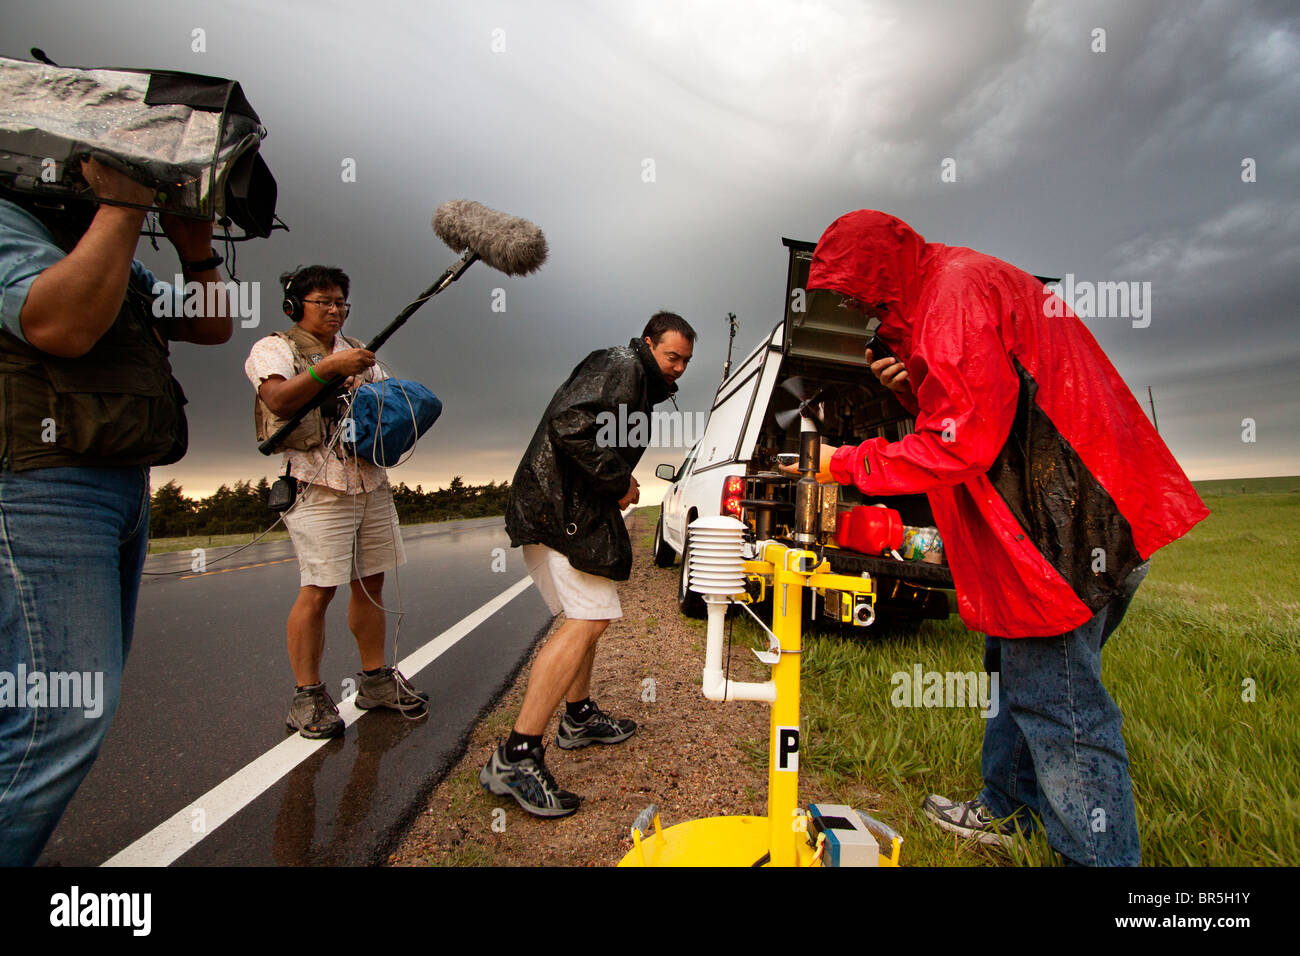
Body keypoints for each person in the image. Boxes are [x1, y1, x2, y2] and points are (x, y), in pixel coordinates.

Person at [801, 209, 1208, 866]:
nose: (851, 303)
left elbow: (960, 445)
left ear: (879, 267)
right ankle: (1008, 807)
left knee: (1063, 709)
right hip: (1075, 525)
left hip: (1067, 536)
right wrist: (917, 383)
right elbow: (988, 409)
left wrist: (844, 462)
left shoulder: (951, 299)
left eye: (853, 288)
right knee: (1017, 674)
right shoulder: (954, 287)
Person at [0, 158, 231, 865]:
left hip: (119, 479)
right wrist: (125, 205)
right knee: (59, 715)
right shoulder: (10, 223)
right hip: (41, 481)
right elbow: (59, 323)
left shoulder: (95, 247)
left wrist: (196, 250)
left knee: (54, 711)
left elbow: (211, 326)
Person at [482, 312, 695, 817]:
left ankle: (576, 717)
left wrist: (614, 482)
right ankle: (516, 755)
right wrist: (619, 481)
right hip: (559, 510)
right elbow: (569, 426)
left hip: (565, 507)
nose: (680, 368)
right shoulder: (622, 365)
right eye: (672, 356)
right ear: (648, 343)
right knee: (589, 618)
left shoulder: (637, 378)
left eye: (686, 360)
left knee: (587, 618)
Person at [246, 266, 425, 739]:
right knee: (319, 587)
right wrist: (327, 371)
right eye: (323, 301)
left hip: (369, 481)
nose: (334, 310)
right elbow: (280, 401)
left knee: (371, 584)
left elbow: (387, 402)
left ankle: (376, 681)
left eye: (341, 302)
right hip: (316, 484)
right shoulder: (273, 349)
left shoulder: (357, 350)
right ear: (294, 305)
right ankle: (307, 696)